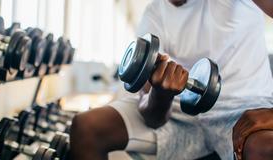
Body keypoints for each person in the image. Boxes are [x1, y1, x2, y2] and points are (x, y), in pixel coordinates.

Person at [70, 0, 273, 160]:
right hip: (179, 113)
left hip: (243, 108)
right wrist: (162, 94)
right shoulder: (154, 14)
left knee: (265, 149)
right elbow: (152, 116)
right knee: (87, 127)